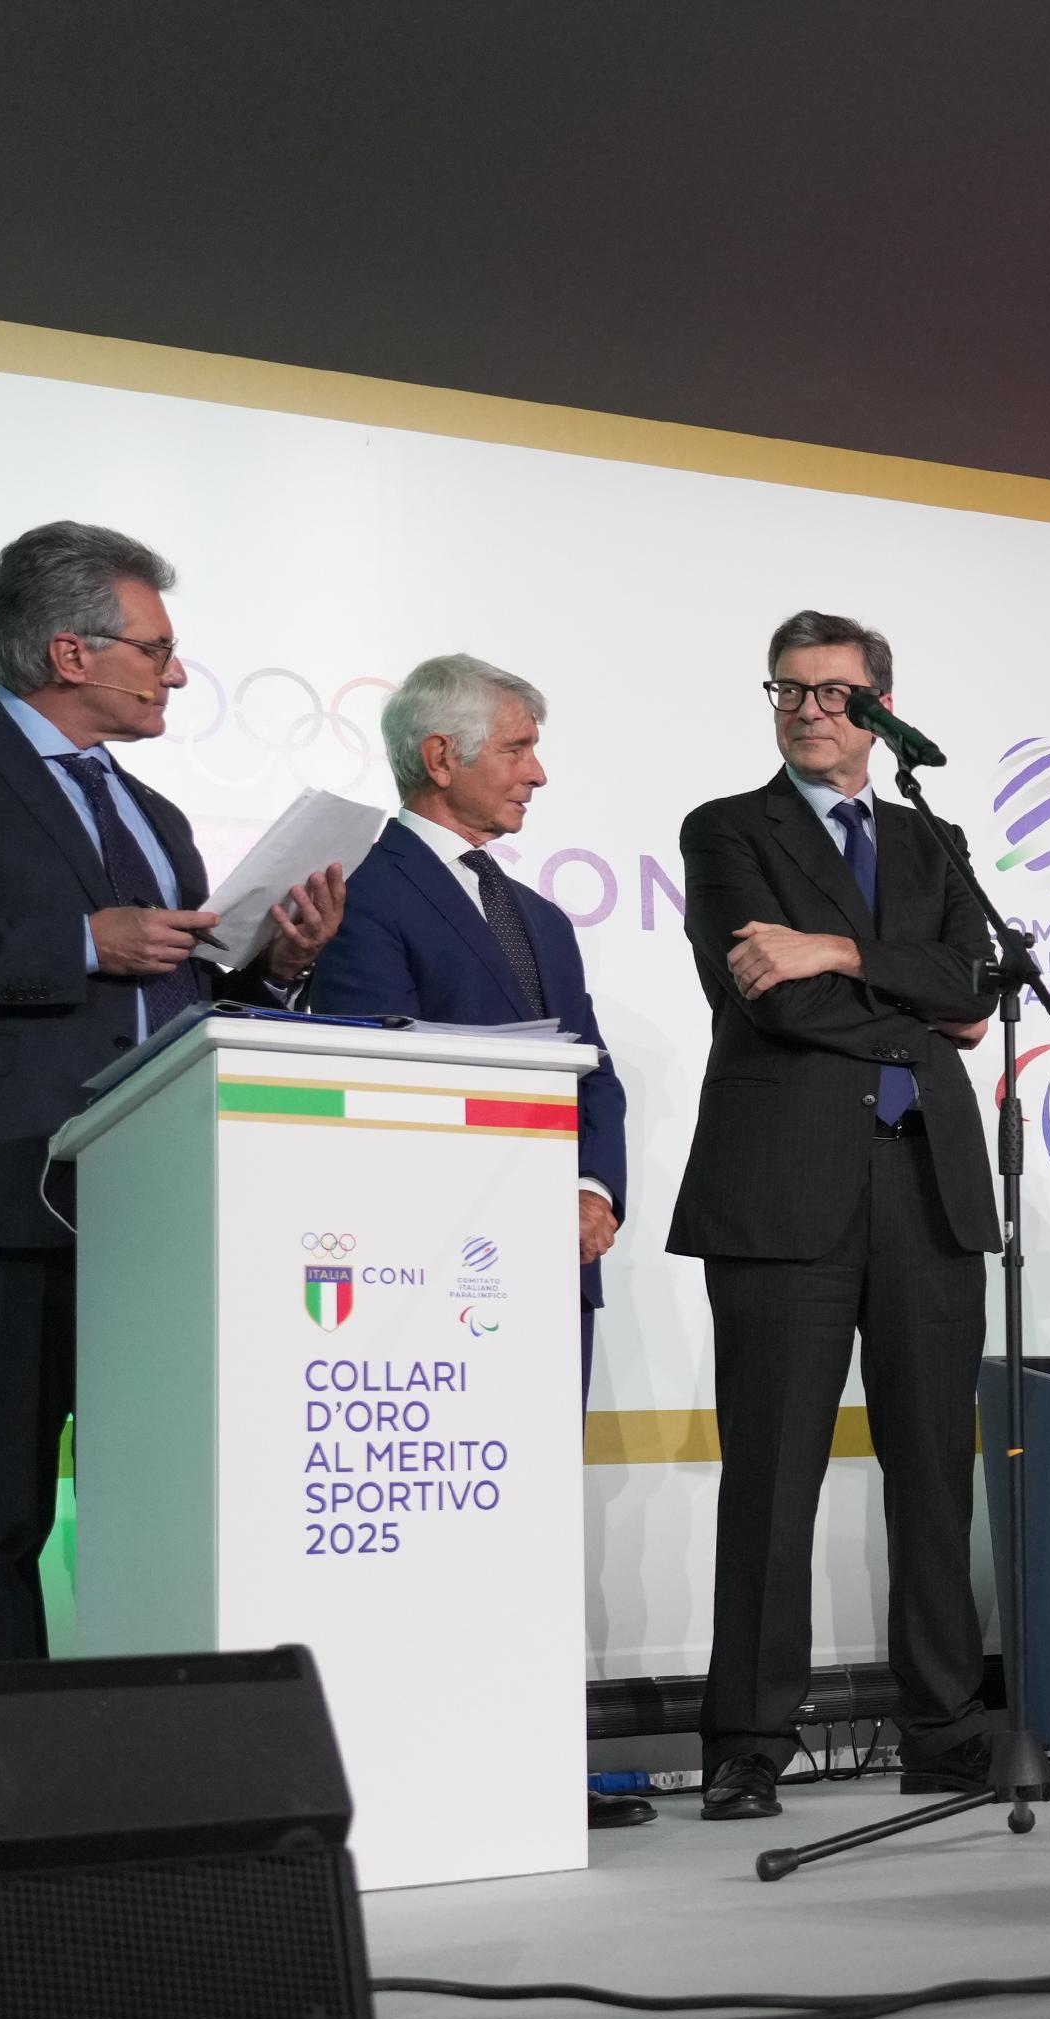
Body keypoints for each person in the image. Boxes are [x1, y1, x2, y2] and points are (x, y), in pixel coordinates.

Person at [0, 522, 345, 1664]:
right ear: (69, 652)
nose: (176, 674)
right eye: (155, 649)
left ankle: (143, 1738)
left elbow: (184, 994)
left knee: (156, 1492)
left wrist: (277, 965)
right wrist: (78, 942)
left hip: (155, 1202)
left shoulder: (156, 816)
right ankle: (9, 1755)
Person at [668, 611, 1003, 1822]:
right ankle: (749, 1741)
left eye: (833, 694)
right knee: (772, 1478)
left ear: (878, 710)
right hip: (782, 1189)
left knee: (935, 1472)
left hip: (927, 1183)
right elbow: (770, 999)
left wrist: (833, 950)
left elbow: (981, 990)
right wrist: (906, 996)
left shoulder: (933, 838)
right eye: (789, 690)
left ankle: (946, 1728)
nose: (809, 710)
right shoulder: (726, 829)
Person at [309, 654, 645, 1825]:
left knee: (531, 1523)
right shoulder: (360, 889)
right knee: (438, 1528)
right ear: (440, 756)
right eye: (518, 747)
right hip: (435, 1275)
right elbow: (382, 1077)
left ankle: (532, 1756)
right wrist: (513, 1205)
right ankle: (434, 1760)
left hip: (556, 1268)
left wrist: (593, 1189)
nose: (538, 772)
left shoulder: (540, 916)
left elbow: (593, 1075)